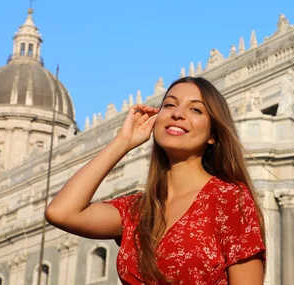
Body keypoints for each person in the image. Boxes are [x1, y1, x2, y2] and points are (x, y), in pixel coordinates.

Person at [45, 77, 266, 284]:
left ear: (212, 135)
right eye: (169, 105)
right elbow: (61, 212)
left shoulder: (229, 198)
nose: (178, 114)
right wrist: (123, 142)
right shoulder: (136, 211)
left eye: (195, 109)